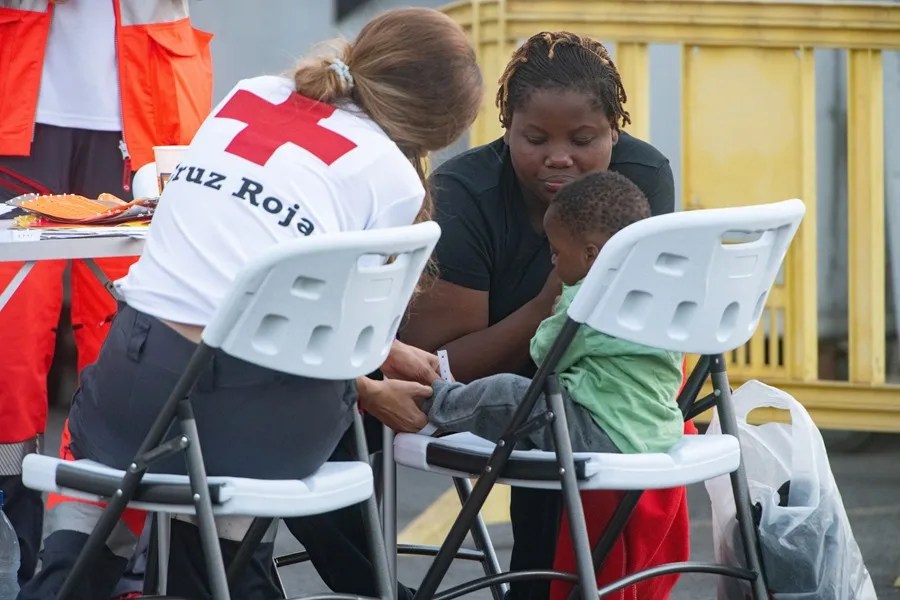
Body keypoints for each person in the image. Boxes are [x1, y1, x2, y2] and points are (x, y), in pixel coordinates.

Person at [18, 7, 482, 599]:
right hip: (255, 422)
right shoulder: (394, 178)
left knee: (118, 463)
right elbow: (332, 348)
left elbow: (229, 278)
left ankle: (72, 563)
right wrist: (371, 385)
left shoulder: (249, 93)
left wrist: (384, 354)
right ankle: (224, 570)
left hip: (133, 388)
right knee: (236, 482)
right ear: (435, 130)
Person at [400, 31, 693, 600]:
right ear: (505, 129)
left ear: (616, 131)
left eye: (584, 139)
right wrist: (544, 305)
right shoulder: (464, 194)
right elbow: (441, 368)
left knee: (557, 415)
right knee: (539, 409)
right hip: (495, 396)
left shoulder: (641, 176)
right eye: (534, 138)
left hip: (600, 400)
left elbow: (640, 329)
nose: (559, 157)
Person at [0, 0, 212, 589]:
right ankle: (9, 557)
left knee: (133, 344)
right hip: (14, 99)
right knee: (7, 352)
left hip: (149, 113)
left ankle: (124, 566)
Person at [422, 170, 684, 456]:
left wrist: (552, 304)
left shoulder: (588, 299)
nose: (552, 259)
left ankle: (431, 403)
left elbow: (545, 356)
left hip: (600, 432)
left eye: (557, 251)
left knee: (507, 392)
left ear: (590, 255)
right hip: (659, 434)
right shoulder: (660, 292)